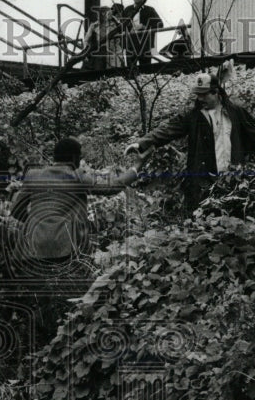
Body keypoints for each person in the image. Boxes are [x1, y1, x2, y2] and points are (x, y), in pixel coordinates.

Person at [8, 137, 150, 338]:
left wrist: (36, 225)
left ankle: (37, 342)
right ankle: (65, 341)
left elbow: (15, 210)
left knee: (38, 304)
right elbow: (113, 187)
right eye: (80, 157)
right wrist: (138, 165)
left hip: (28, 251)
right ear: (74, 158)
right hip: (63, 250)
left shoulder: (33, 175)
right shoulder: (77, 176)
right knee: (71, 303)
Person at [124, 60, 255, 213]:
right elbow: (168, 129)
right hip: (202, 188)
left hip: (234, 184)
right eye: (198, 94)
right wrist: (141, 143)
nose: (200, 98)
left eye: (204, 94)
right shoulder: (193, 116)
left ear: (216, 92)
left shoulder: (236, 112)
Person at [121, 0, 163, 69]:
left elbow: (160, 24)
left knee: (146, 70)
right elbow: (121, 27)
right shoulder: (127, 10)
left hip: (145, 44)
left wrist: (145, 27)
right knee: (130, 70)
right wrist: (129, 30)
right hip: (131, 44)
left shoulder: (149, 10)